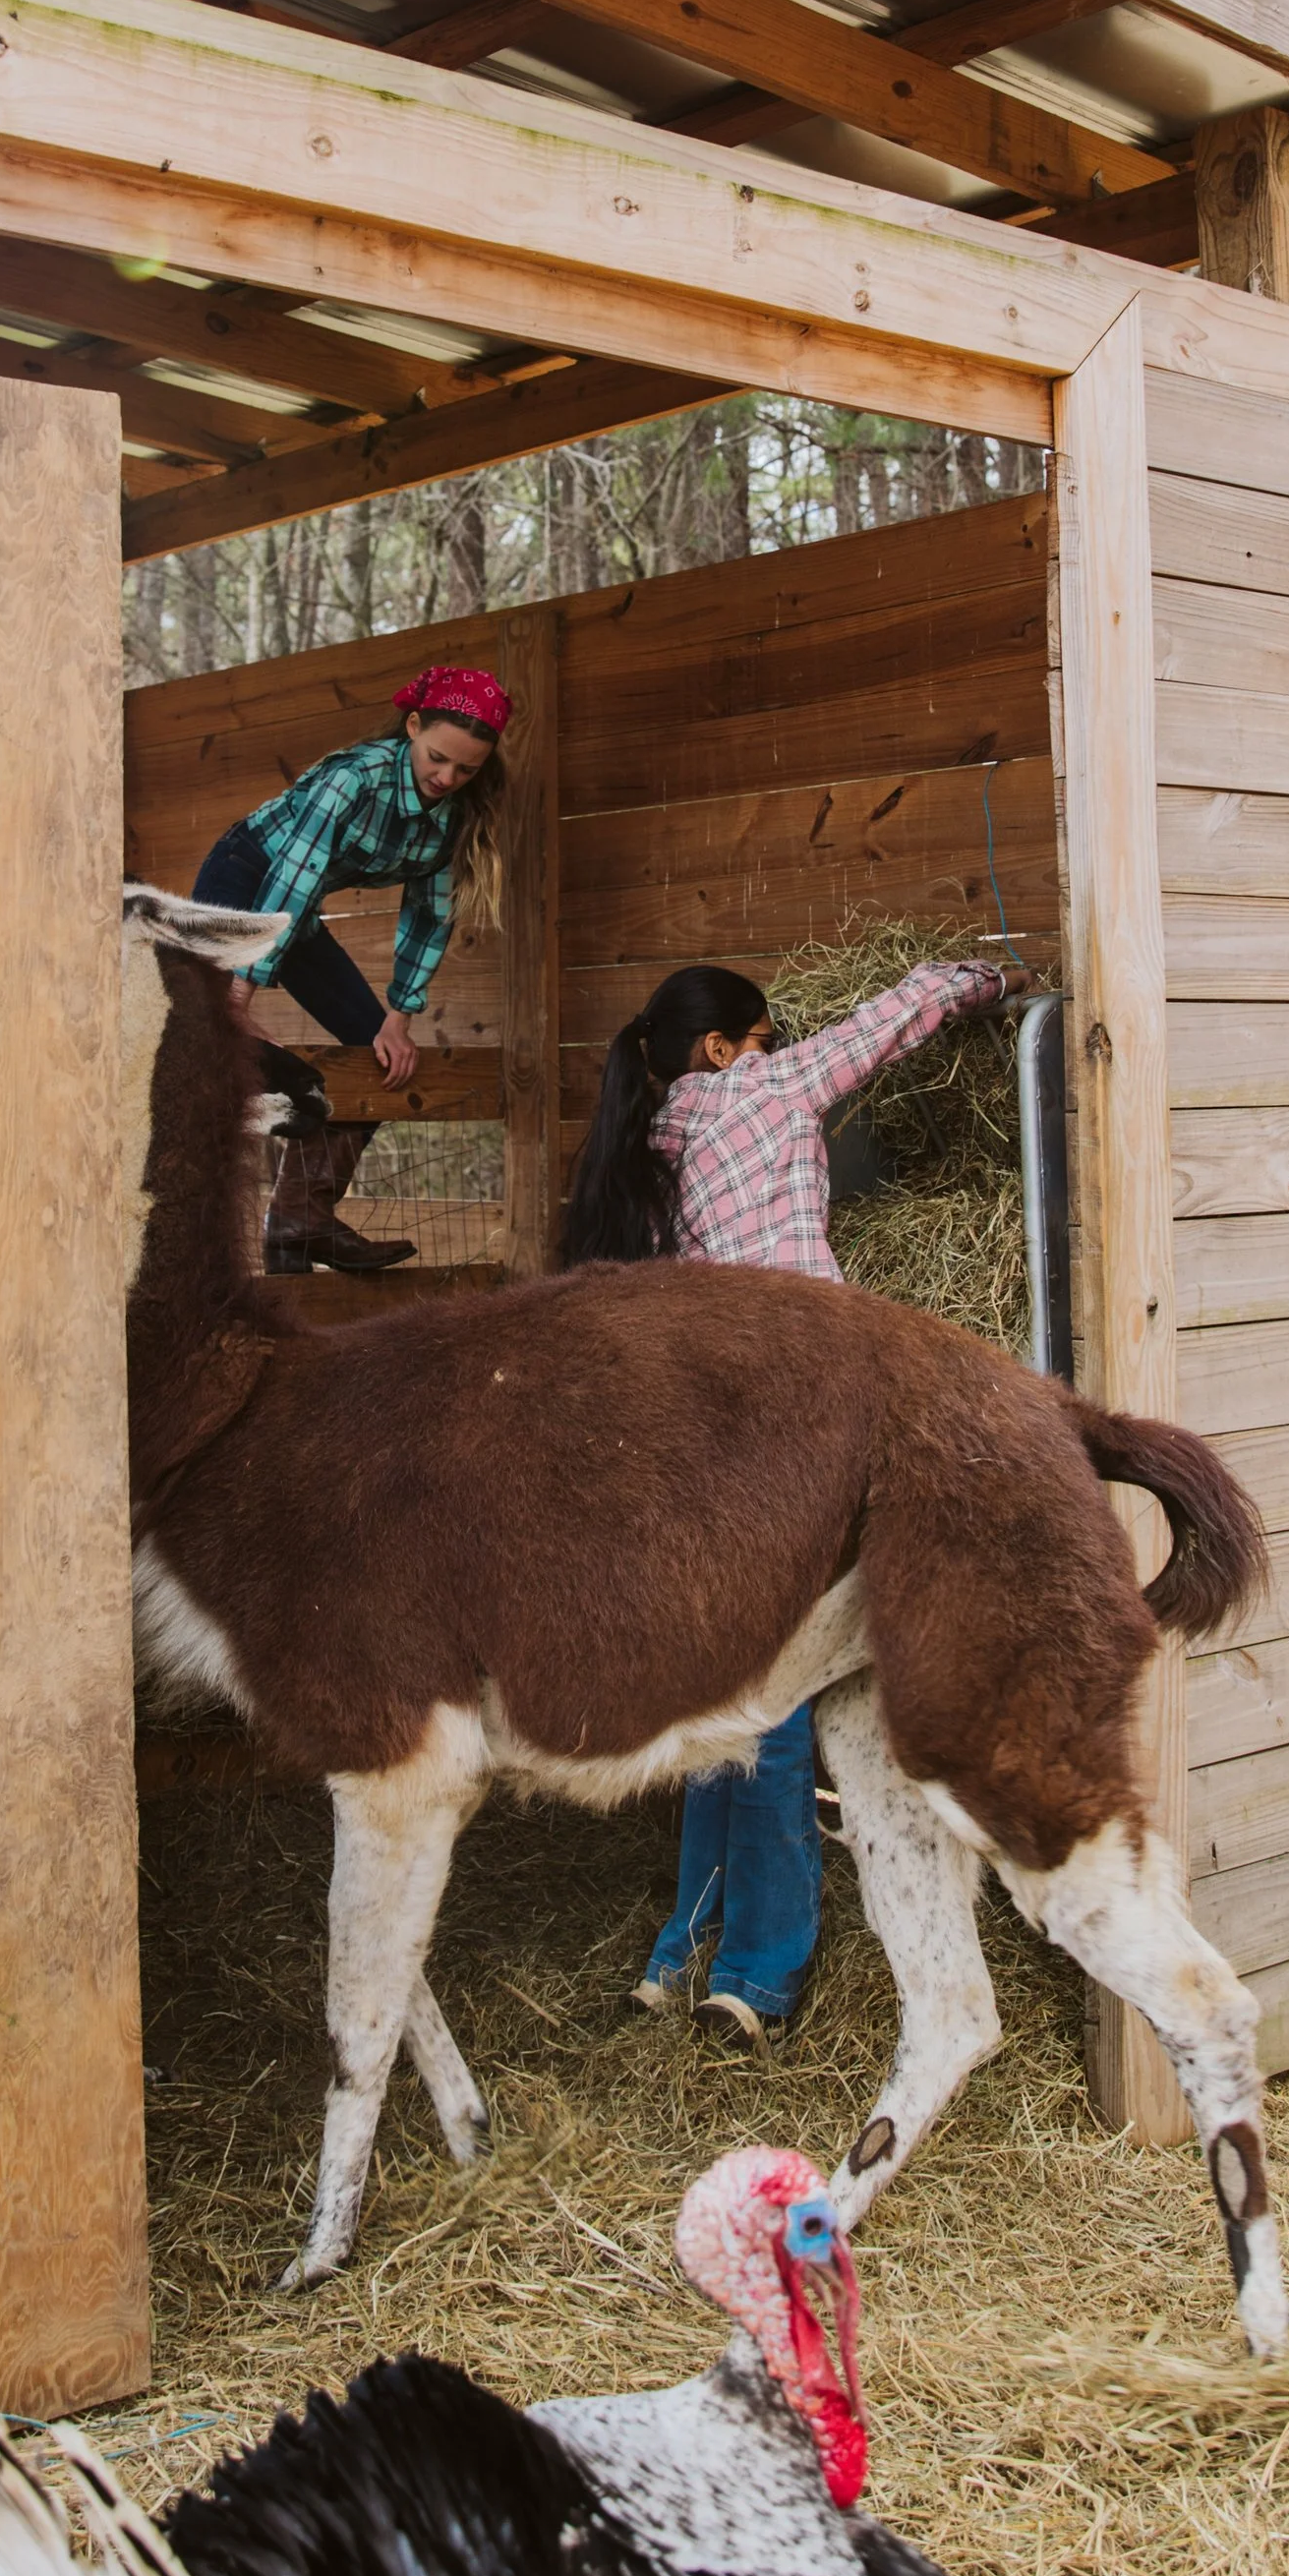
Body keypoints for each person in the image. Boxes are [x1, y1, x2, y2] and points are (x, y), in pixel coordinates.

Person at [560, 948, 1015, 2047]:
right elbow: (888, 1026)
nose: (775, 1053)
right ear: (721, 1049)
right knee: (776, 1700)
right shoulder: (755, 1088)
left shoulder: (639, 1153)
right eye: (762, 1035)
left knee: (720, 1699)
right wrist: (981, 974)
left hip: (708, 1445)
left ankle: (683, 1945)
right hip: (808, 1412)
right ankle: (758, 1974)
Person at [194, 666, 510, 1273]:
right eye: (438, 758)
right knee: (211, 1041)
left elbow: (429, 915)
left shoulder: (449, 819)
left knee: (376, 1057)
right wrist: (239, 991)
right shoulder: (353, 779)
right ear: (413, 727)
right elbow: (292, 878)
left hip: (298, 908)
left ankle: (298, 1220)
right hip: (245, 878)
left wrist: (399, 1016)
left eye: (466, 769)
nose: (447, 778)